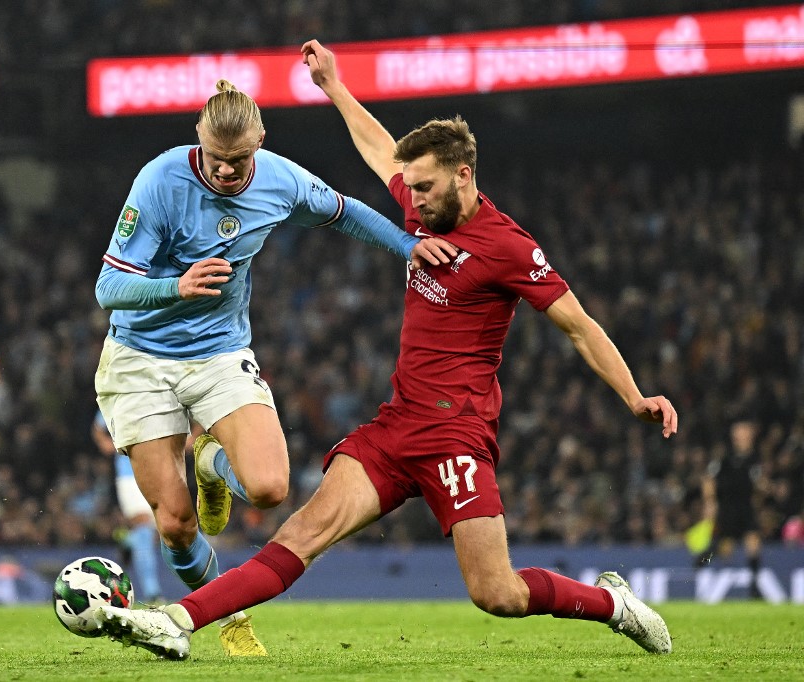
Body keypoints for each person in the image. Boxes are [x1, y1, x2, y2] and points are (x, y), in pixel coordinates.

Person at [97, 40, 679, 660]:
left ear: (464, 176)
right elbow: (380, 149)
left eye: (424, 188)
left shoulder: (508, 247)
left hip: (457, 435)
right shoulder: (424, 210)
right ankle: (178, 621)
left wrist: (635, 395)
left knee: (497, 593)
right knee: (301, 532)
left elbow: (579, 326)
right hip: (397, 426)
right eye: (411, 188)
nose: (413, 201)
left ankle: (614, 603)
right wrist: (334, 86)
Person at [93, 79, 455, 656]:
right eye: (217, 159)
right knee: (176, 524)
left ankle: (211, 461)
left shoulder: (280, 179)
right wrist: (175, 287)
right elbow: (108, 287)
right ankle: (227, 617)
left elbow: (345, 213)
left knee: (268, 488)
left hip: (217, 352)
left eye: (240, 160)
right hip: (140, 359)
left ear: (260, 139)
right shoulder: (160, 181)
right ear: (199, 138)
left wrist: (408, 248)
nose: (230, 172)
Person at [92, 409, 164, 604]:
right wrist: (104, 442)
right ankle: (152, 593)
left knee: (159, 535)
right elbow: (98, 427)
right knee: (143, 528)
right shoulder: (119, 395)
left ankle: (127, 542)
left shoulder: (162, 391)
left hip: (161, 472)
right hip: (129, 474)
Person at [698, 418, 764, 598]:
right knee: (723, 547)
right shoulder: (724, 457)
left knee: (753, 542)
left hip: (746, 507)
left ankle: (754, 588)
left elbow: (759, 484)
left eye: (744, 432)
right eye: (738, 432)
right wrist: (710, 501)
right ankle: (702, 559)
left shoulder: (756, 457)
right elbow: (708, 478)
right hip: (727, 508)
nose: (741, 436)